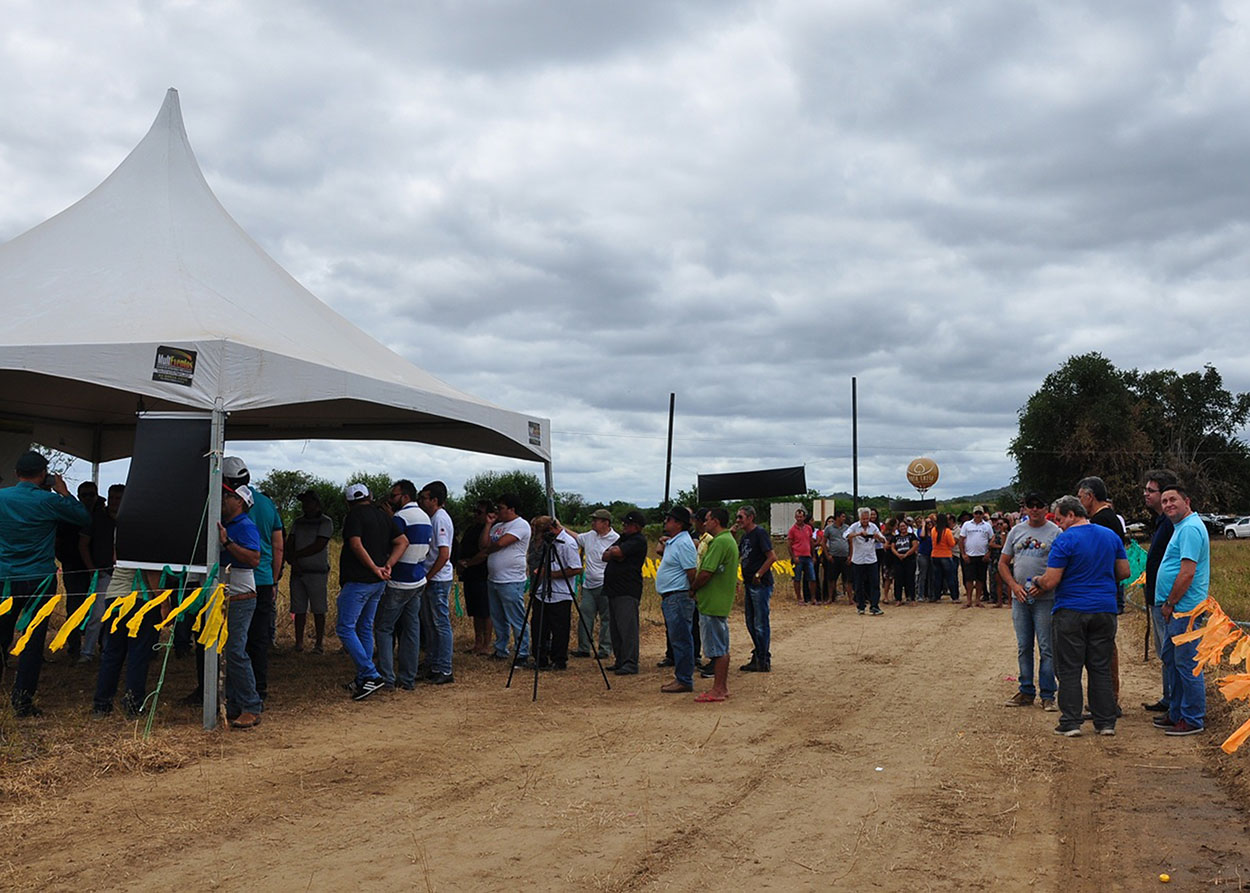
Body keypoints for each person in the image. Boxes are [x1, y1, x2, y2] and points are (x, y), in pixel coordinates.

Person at [0, 451, 92, 716]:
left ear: (17, 473)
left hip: (3, 577)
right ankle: (23, 701)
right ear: (43, 475)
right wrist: (63, 491)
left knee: (1, 635)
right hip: (38, 579)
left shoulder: (2, 497)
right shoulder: (48, 501)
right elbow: (82, 518)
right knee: (32, 640)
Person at [1030, 495, 1128, 737]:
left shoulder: (1065, 541)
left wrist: (1037, 580)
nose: (1059, 524)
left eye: (1061, 519)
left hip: (1071, 610)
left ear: (1072, 515)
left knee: (1070, 668)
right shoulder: (1110, 535)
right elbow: (1124, 572)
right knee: (1100, 667)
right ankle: (1105, 722)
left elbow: (1052, 580)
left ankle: (1071, 722)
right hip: (1104, 610)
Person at [338, 482, 407, 700]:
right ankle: (363, 678)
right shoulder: (383, 516)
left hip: (358, 581)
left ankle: (370, 674)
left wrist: (374, 568)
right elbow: (402, 541)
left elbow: (356, 545)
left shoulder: (354, 516)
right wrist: (388, 565)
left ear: (349, 503)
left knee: (345, 628)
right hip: (378, 583)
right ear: (370, 495)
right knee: (364, 627)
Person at [222, 457, 283, 702]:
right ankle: (259, 687)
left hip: (238, 579)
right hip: (264, 579)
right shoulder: (267, 504)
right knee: (257, 639)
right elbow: (278, 545)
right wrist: (275, 577)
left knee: (231, 641)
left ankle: (236, 694)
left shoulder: (223, 502)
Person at [1153, 484, 1210, 736]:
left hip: (1185, 611)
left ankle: (1193, 718)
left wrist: (1170, 603)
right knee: (1172, 661)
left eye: (1172, 499)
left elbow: (1187, 573)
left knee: (1187, 665)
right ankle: (1176, 712)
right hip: (1177, 610)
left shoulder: (1190, 529)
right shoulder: (1181, 528)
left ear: (1187, 501)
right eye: (1164, 501)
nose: (1167, 505)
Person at [999, 493, 1061, 710]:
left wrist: (1045, 585)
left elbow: (1062, 566)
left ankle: (1047, 694)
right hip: (1020, 598)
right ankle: (1026, 690)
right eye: (1030, 506)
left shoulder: (1056, 532)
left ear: (1046, 508)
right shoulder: (1016, 531)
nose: (1034, 509)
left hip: (1045, 598)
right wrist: (1014, 586)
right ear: (1024, 508)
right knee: (1024, 646)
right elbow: (1003, 563)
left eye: (1039, 505)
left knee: (1046, 647)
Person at [374, 480, 432, 690]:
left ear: (405, 496)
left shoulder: (400, 518)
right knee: (411, 629)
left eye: (394, 495)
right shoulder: (425, 517)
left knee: (384, 628)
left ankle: (387, 677)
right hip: (418, 579)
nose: (391, 499)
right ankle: (407, 678)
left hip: (399, 580)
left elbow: (393, 542)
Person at [217, 483, 264, 728]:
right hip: (228, 597)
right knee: (228, 652)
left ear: (241, 502)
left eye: (229, 496)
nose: (224, 499)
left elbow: (254, 559)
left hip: (240, 597)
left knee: (235, 651)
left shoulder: (245, 526)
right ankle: (235, 702)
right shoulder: (231, 524)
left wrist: (227, 543)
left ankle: (251, 706)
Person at [1077, 476, 1127, 709]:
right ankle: (1107, 698)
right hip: (1105, 587)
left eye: (1080, 497)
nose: (1079, 502)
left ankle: (1108, 700)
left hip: (1102, 590)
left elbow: (1109, 560)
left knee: (1102, 647)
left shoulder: (1102, 521)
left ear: (1090, 496)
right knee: (1103, 645)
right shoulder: (1108, 518)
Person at [1141, 469, 1179, 713]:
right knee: (1164, 652)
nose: (1145, 494)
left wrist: (1169, 599)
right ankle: (1168, 698)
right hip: (1156, 596)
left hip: (1166, 599)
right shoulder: (1160, 522)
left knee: (1170, 652)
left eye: (1150, 490)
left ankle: (1173, 702)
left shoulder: (1171, 524)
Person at [479, 493, 532, 664]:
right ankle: (501, 648)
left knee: (516, 617)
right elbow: (483, 544)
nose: (498, 511)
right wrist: (488, 525)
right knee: (498, 617)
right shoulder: (497, 526)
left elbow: (501, 543)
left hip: (511, 579)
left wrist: (488, 549)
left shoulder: (520, 525)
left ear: (512, 509)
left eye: (501, 508)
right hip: (494, 578)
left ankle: (522, 652)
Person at [691, 508, 736, 702]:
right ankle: (721, 687)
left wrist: (692, 589)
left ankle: (718, 689)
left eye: (707, 520)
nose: (704, 523)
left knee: (717, 648)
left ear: (715, 522)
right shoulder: (728, 540)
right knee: (722, 647)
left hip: (712, 602)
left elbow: (706, 572)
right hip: (719, 601)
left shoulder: (719, 542)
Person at [527, 516, 581, 670]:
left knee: (559, 629)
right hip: (542, 591)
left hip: (560, 593)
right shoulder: (548, 543)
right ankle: (540, 658)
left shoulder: (567, 544)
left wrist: (549, 574)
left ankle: (559, 660)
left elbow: (576, 568)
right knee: (538, 626)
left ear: (550, 529)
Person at [655, 506, 698, 693]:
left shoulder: (683, 544)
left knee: (681, 639)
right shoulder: (675, 542)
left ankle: (684, 679)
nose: (666, 522)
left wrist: (691, 593)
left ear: (679, 524)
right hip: (672, 597)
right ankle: (682, 677)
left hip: (678, 596)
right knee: (678, 638)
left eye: (670, 519)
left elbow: (691, 572)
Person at [77, 482, 121, 662]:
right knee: (97, 615)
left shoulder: (130, 519)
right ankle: (87, 652)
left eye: (118, 498)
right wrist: (91, 569)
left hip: (125, 574)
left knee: (118, 616)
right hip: (103, 573)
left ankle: (109, 651)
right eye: (111, 497)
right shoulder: (97, 518)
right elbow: (83, 544)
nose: (114, 501)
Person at [285, 489, 332, 653]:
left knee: (319, 609)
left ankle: (319, 643)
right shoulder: (298, 522)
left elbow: (319, 545)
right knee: (298, 608)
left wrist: (295, 556)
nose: (305, 505)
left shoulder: (325, 522)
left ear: (316, 504)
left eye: (308, 502)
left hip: (316, 571)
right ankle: (299, 643)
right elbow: (290, 542)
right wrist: (292, 558)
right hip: (299, 571)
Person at [418, 481, 456, 685]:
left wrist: (428, 577)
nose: (421, 501)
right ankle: (433, 664)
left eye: (424, 498)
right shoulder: (433, 518)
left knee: (440, 623)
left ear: (435, 500)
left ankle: (444, 668)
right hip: (433, 578)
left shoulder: (440, 519)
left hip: (438, 579)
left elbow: (443, 554)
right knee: (430, 623)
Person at [602, 509, 648, 675]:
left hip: (627, 590)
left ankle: (630, 662)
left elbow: (618, 552)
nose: (623, 526)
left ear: (635, 526)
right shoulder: (624, 538)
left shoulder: (638, 541)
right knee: (616, 629)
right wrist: (616, 554)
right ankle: (620, 659)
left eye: (626, 524)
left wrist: (617, 553)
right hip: (614, 589)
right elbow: (605, 555)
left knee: (627, 628)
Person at [735, 505, 777, 671]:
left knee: (760, 623)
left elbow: (772, 556)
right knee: (751, 622)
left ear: (751, 517)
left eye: (741, 517)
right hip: (749, 583)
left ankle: (763, 659)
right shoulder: (744, 537)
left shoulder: (759, 533)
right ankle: (758, 654)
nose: (738, 520)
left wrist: (759, 574)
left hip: (760, 585)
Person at [573, 508, 617, 660]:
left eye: (596, 520)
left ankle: (605, 649)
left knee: (607, 618)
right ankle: (584, 648)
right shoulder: (590, 536)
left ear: (605, 523)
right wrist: (559, 527)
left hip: (606, 583)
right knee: (585, 615)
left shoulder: (616, 538)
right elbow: (575, 537)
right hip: (589, 584)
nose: (592, 523)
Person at [455, 500, 494, 655]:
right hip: (470, 574)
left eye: (479, 512)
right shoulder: (471, 529)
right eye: (475, 511)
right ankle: (478, 642)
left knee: (485, 611)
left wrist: (469, 563)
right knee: (475, 611)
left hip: (483, 574)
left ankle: (486, 644)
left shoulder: (489, 530)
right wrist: (460, 563)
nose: (475, 515)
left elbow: (484, 550)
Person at [845, 507, 885, 616]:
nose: (865, 521)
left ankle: (874, 606)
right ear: (859, 518)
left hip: (871, 559)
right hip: (858, 560)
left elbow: (883, 539)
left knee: (874, 583)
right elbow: (846, 535)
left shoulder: (873, 527)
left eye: (867, 519)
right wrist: (858, 534)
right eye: (863, 519)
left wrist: (878, 537)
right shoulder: (854, 526)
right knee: (858, 584)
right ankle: (861, 606)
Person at [958, 506, 993, 608]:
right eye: (976, 513)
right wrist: (963, 554)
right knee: (969, 579)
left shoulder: (987, 526)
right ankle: (969, 600)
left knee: (980, 579)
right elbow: (961, 540)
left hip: (982, 555)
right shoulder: (967, 525)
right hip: (970, 555)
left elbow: (992, 539)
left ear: (983, 514)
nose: (978, 515)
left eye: (980, 513)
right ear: (973, 514)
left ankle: (977, 599)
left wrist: (988, 553)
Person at [788, 508, 816, 605]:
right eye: (797, 517)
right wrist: (793, 557)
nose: (799, 518)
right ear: (795, 517)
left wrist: (813, 555)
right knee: (797, 579)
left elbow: (811, 542)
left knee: (812, 578)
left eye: (801, 517)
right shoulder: (792, 530)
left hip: (808, 556)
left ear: (804, 517)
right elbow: (789, 545)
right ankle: (799, 598)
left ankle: (813, 598)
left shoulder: (808, 528)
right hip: (798, 557)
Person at [929, 514, 959, 602]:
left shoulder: (933, 530)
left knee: (937, 578)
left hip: (935, 555)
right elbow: (952, 544)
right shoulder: (947, 531)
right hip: (946, 555)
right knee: (950, 577)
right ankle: (954, 597)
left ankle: (937, 596)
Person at [822, 512, 850, 603]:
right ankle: (830, 597)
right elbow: (823, 542)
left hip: (845, 557)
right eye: (843, 516)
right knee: (831, 579)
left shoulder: (847, 528)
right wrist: (827, 555)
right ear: (837, 517)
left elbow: (851, 542)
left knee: (847, 579)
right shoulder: (829, 528)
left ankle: (850, 598)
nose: (844, 518)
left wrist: (850, 555)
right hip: (833, 557)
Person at [890, 516, 918, 605]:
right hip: (898, 560)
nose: (903, 528)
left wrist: (907, 554)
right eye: (901, 526)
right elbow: (892, 547)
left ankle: (911, 598)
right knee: (898, 580)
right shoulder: (895, 537)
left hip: (910, 559)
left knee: (910, 579)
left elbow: (915, 546)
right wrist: (898, 555)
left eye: (904, 526)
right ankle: (898, 599)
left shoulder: (911, 536)